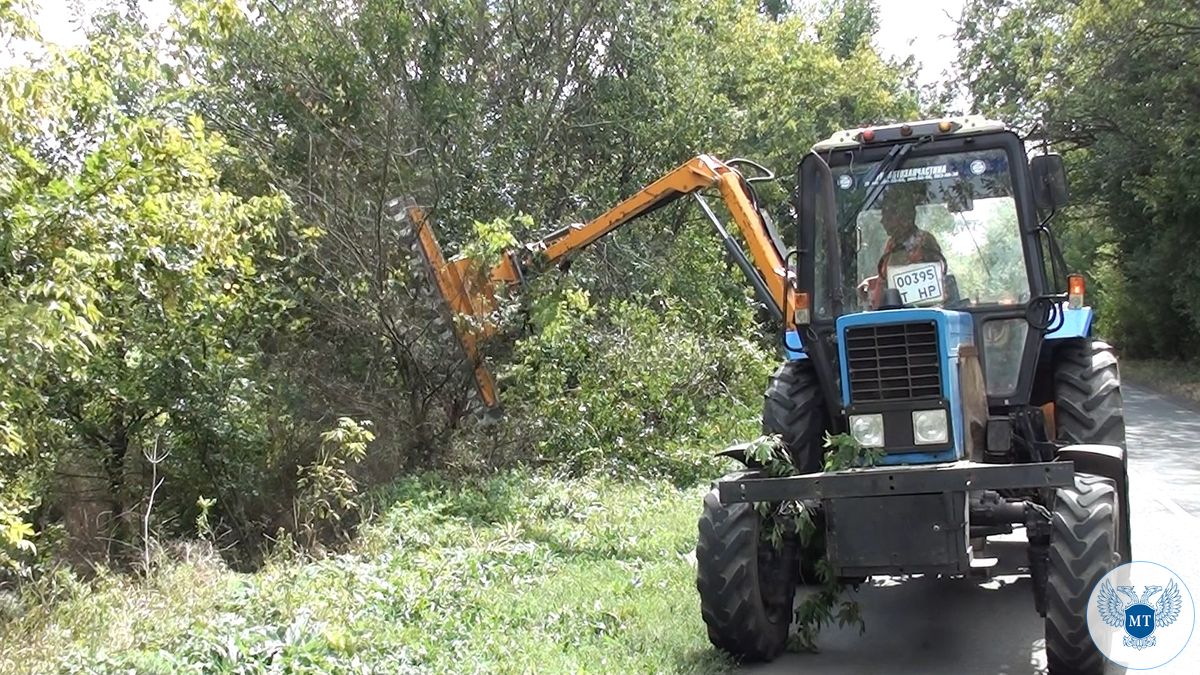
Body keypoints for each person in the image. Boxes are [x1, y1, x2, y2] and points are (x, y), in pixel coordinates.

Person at [858, 186, 947, 308]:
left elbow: (932, 281)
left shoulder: (924, 241)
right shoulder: (892, 244)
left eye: (887, 217)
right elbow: (891, 279)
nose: (882, 221)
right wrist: (872, 283)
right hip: (887, 313)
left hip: (917, 315)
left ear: (905, 218)